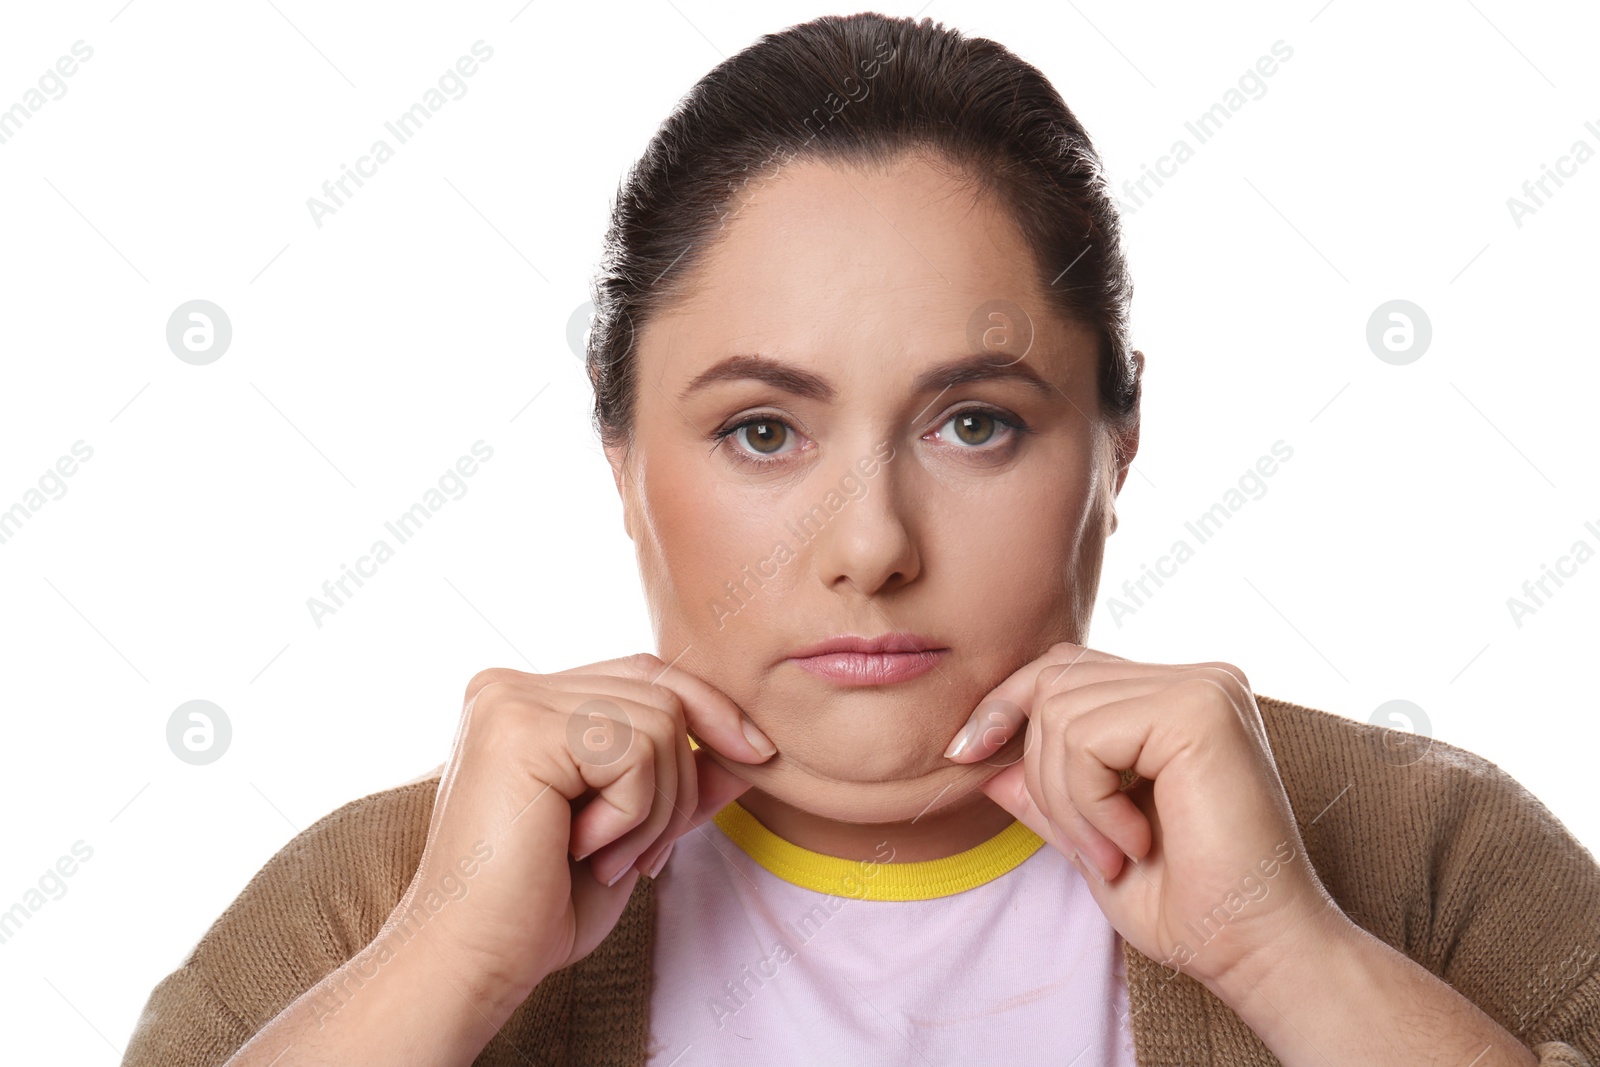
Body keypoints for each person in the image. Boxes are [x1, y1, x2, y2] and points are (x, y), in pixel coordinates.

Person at [123, 12, 1599, 1066]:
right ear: (622, 456)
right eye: (763, 431)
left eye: (975, 424)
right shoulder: (370, 908)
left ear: (1119, 440)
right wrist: (449, 964)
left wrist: (1292, 955)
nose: (872, 546)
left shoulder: (1428, 858)